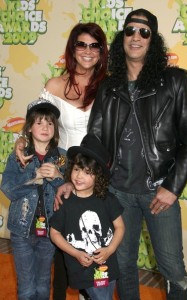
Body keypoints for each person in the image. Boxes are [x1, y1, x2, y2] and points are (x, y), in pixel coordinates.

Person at [85, 8, 187, 300]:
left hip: (158, 193)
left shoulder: (174, 81)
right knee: (124, 267)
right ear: (121, 38)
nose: (135, 37)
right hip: (118, 192)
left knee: (173, 270)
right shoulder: (108, 87)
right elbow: (96, 139)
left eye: (144, 32)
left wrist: (172, 187)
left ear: (153, 40)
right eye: (130, 30)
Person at [15, 22, 108, 300]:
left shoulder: (108, 87)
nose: (88, 51)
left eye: (95, 45)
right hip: (63, 175)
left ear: (102, 52)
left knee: (93, 243)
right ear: (72, 48)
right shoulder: (55, 85)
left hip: (97, 176)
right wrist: (21, 142)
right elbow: (36, 123)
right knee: (59, 246)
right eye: (81, 44)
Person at [0, 99, 66, 300]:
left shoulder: (62, 157)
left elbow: (69, 192)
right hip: (21, 231)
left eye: (50, 123)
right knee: (27, 287)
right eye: (39, 122)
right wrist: (33, 176)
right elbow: (8, 189)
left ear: (55, 128)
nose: (45, 127)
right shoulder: (18, 156)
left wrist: (58, 177)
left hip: (50, 231)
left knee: (44, 283)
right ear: (29, 127)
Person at [49, 134, 125, 300]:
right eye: (76, 169)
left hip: (106, 268)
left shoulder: (107, 199)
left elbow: (120, 227)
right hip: (80, 268)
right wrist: (75, 253)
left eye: (87, 172)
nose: (79, 176)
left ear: (98, 176)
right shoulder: (66, 201)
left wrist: (110, 249)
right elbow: (54, 233)